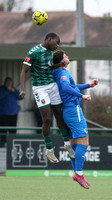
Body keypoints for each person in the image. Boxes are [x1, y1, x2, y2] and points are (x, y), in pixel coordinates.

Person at [20, 32, 75, 163]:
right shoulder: (33, 52)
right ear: (49, 39)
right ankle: (49, 150)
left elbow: (49, 68)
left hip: (52, 86)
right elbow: (24, 70)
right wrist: (22, 89)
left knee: (59, 114)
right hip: (40, 88)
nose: (57, 46)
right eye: (56, 43)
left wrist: (62, 64)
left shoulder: (50, 53)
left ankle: (67, 144)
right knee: (47, 118)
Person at [52, 50, 98, 189]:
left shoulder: (59, 73)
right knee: (84, 140)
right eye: (65, 56)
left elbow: (71, 86)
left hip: (67, 111)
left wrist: (88, 86)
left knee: (74, 144)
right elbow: (66, 87)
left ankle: (77, 173)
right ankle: (79, 173)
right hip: (73, 109)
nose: (67, 57)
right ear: (61, 61)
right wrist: (82, 96)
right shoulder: (63, 72)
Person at [0, 77, 22, 147]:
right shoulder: (2, 89)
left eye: (10, 83)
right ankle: (2, 143)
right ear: (5, 83)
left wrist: (13, 91)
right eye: (7, 83)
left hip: (13, 114)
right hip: (4, 114)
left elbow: (20, 97)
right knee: (3, 130)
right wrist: (7, 90)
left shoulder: (14, 90)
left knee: (13, 130)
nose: (9, 84)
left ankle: (12, 144)